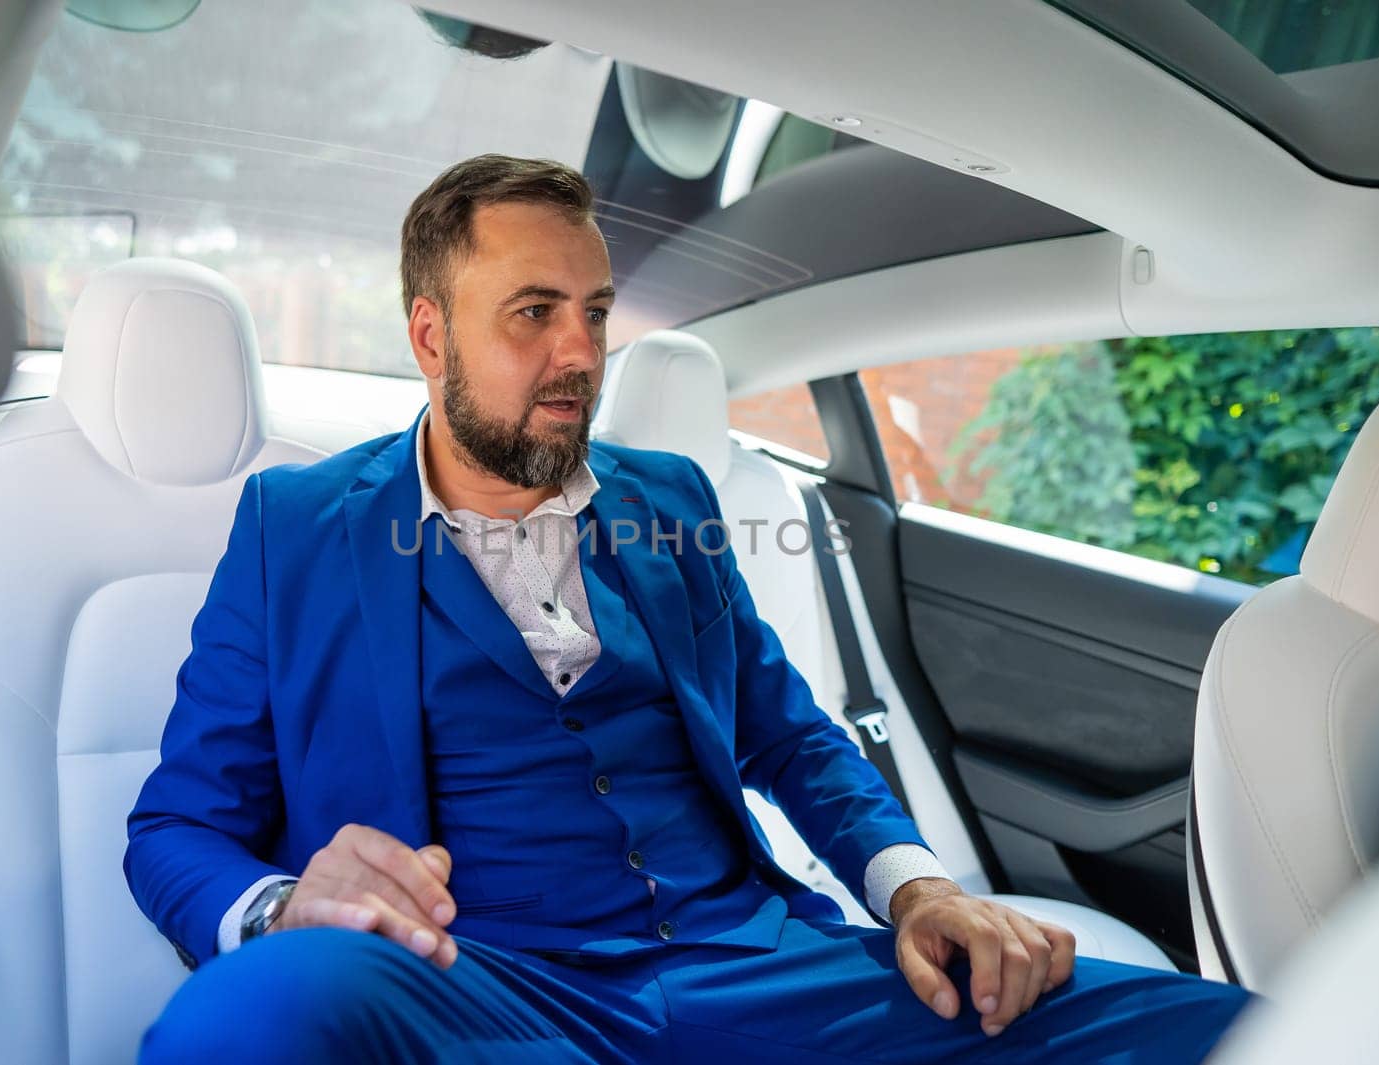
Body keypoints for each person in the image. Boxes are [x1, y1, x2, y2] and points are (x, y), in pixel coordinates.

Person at [125, 154, 1250, 1063]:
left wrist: (918, 889)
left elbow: (789, 734)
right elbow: (174, 829)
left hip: (753, 967)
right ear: (430, 336)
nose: (579, 352)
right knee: (246, 1018)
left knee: (1237, 1033)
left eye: (595, 312)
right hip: (482, 992)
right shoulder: (297, 528)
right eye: (531, 313)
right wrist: (283, 905)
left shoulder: (670, 502)